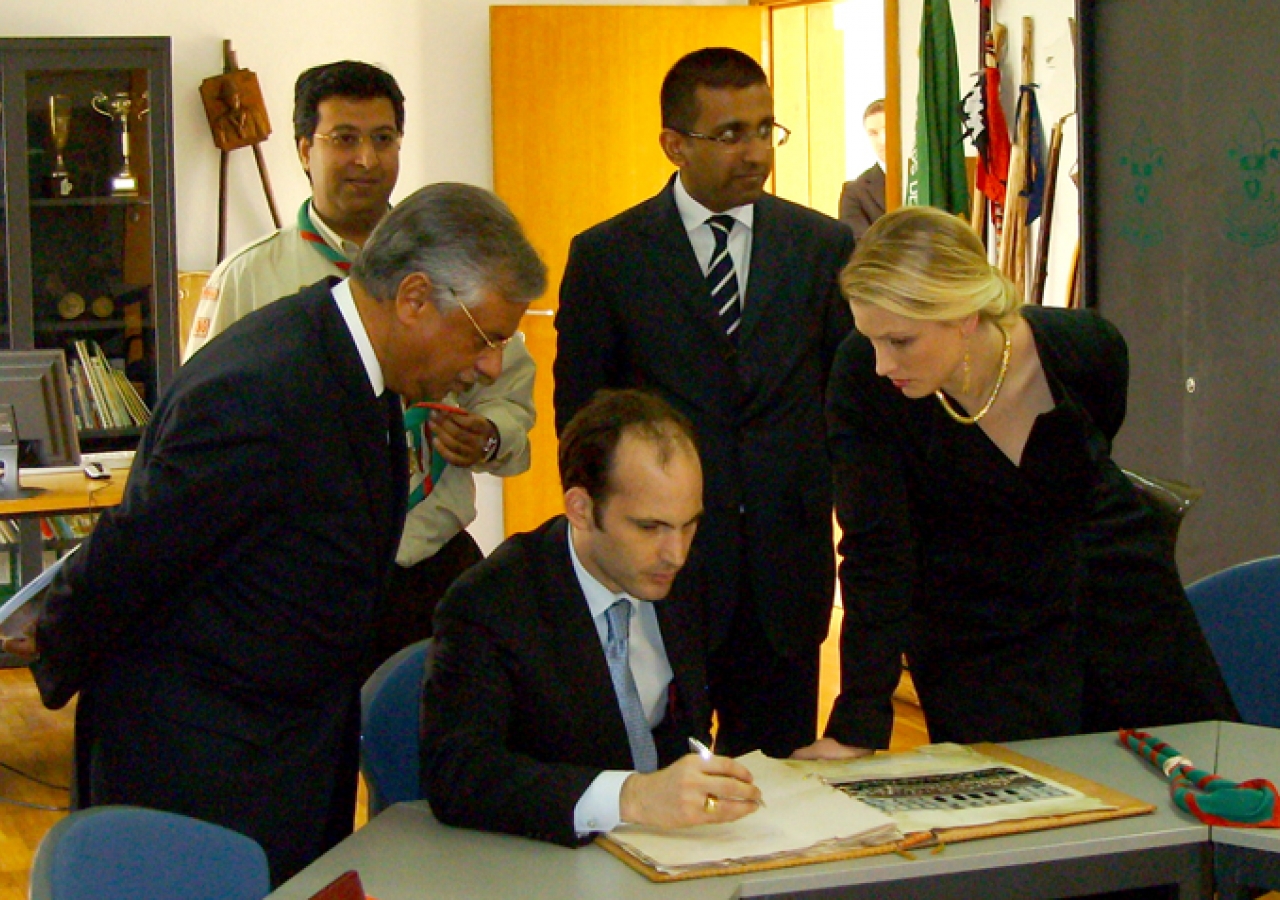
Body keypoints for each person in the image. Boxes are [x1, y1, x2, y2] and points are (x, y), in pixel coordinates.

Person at [27, 183, 547, 884]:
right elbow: (130, 560)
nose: (489, 367)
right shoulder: (261, 389)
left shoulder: (357, 372)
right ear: (416, 297)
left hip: (287, 752)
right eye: (487, 339)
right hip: (203, 774)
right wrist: (52, 653)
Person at [795, 205, 1237, 760]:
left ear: (963, 314)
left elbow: (1096, 448)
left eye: (901, 341)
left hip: (1121, 608)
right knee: (1025, 817)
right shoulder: (862, 381)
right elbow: (876, 552)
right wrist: (857, 723)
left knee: (1189, 789)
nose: (883, 362)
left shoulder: (1086, 347)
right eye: (871, 338)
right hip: (979, 639)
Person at [185, 60, 536, 668]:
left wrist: (486, 436)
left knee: (446, 738)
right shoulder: (250, 278)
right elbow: (201, 425)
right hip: (303, 574)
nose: (367, 161)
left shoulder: (462, 260)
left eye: (383, 139)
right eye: (343, 139)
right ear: (303, 149)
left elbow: (506, 391)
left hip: (429, 559)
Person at [554, 48, 853, 759]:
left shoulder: (821, 247)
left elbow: (845, 405)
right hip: (661, 576)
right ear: (674, 144)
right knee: (661, 782)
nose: (755, 153)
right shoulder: (610, 256)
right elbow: (583, 426)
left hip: (783, 577)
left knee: (778, 795)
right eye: (731, 135)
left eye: (764, 129)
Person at [421, 389, 762, 846]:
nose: (676, 553)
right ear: (580, 508)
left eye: (689, 524)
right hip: (536, 858)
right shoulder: (491, 602)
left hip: (669, 852)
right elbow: (458, 775)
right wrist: (631, 798)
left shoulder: (686, 575)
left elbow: (686, 725)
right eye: (649, 527)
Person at [838, 99, 887, 241]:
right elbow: (861, 247)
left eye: (887, 129)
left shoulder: (928, 177)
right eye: (873, 133)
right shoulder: (855, 193)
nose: (882, 140)